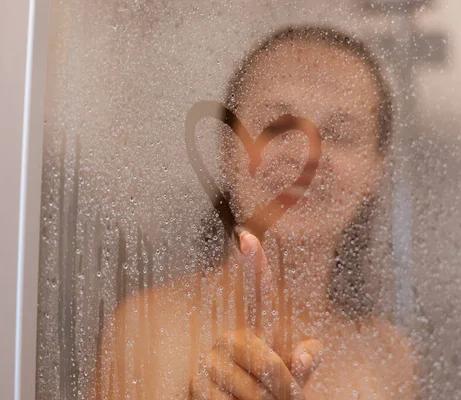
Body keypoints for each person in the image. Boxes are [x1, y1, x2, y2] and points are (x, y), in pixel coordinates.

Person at [95, 26, 415, 399]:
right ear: (229, 150)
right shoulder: (151, 327)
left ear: (376, 172)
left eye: (340, 134)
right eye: (278, 124)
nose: (305, 157)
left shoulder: (389, 356)